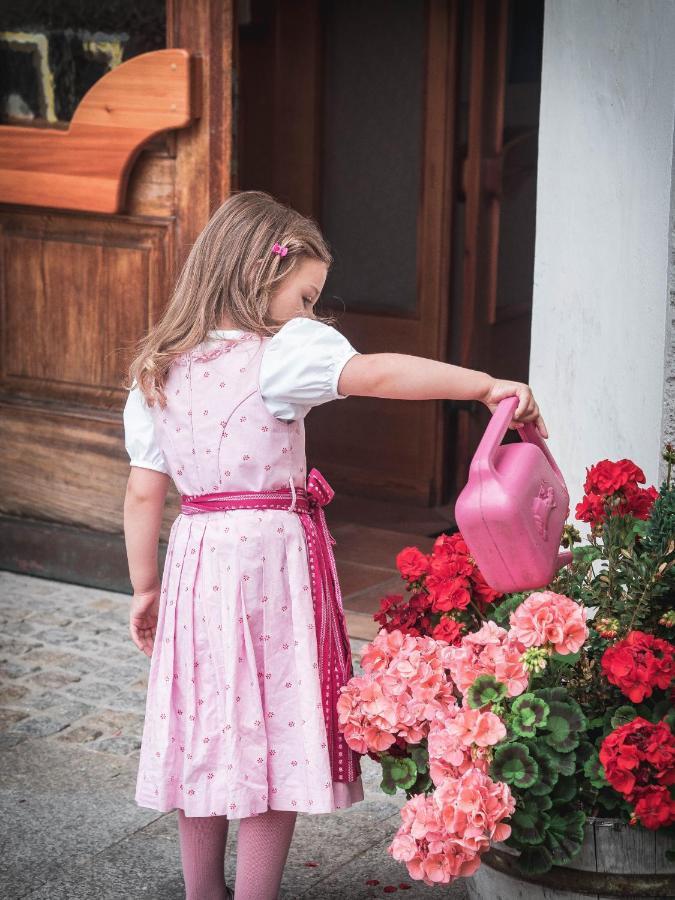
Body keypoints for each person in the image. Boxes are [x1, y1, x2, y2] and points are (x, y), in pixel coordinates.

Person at [122, 190, 547, 900]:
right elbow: (377, 372)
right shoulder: (283, 352)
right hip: (265, 561)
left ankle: (203, 893)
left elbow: (143, 493)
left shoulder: (160, 367)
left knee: (205, 726)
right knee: (269, 731)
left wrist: (144, 587)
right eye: (306, 295)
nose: (312, 314)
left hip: (196, 557)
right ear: (260, 278)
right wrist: (482, 385)